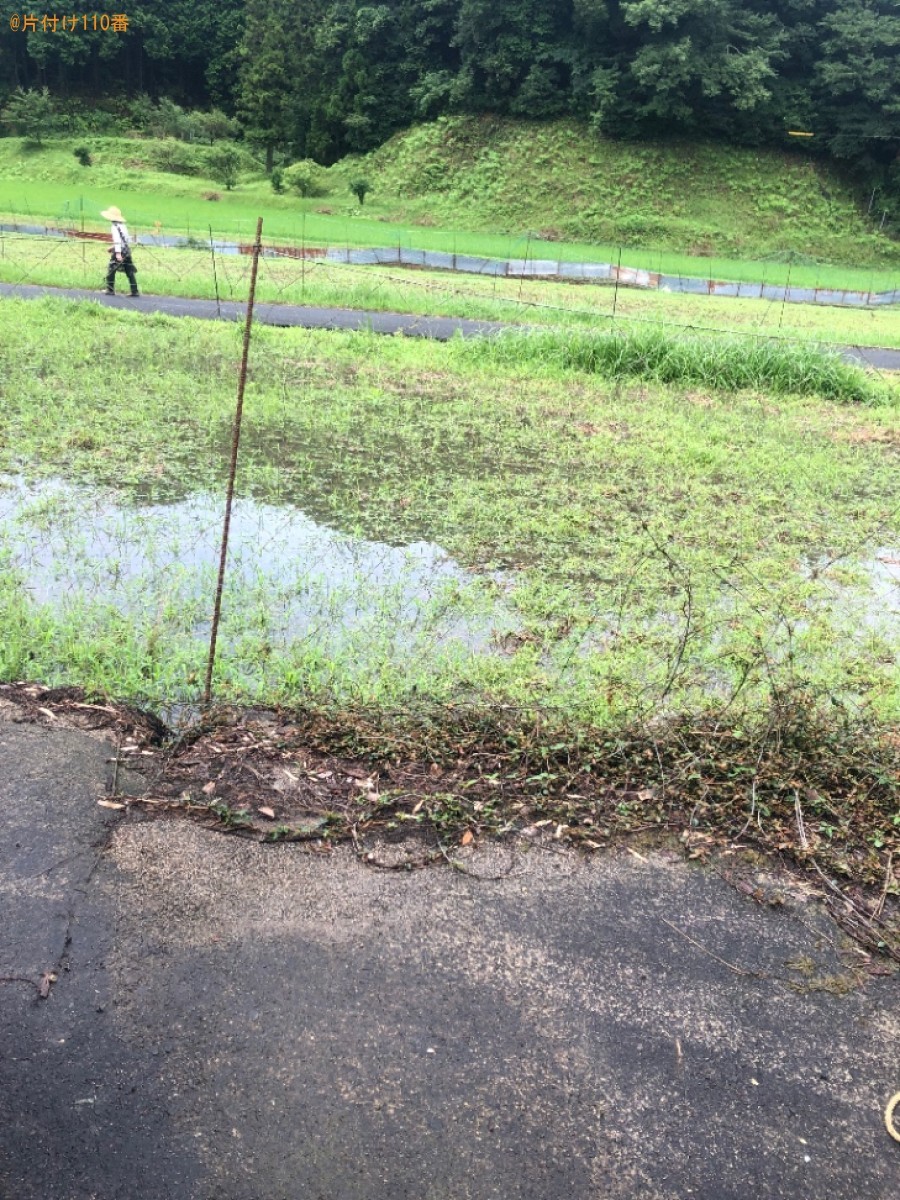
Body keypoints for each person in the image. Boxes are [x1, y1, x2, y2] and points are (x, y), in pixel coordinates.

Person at [101, 205, 139, 297]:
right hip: (126, 250)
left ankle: (110, 289)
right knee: (129, 271)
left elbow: (117, 240)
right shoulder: (123, 226)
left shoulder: (114, 227)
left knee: (111, 270)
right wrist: (113, 248)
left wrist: (117, 253)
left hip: (120, 251)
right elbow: (124, 240)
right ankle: (134, 291)